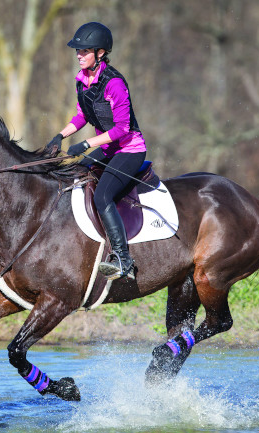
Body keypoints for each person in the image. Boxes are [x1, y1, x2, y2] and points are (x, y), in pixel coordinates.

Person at [48, 22, 146, 280]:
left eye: (85, 51)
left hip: (129, 149)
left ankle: (123, 260)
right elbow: (82, 115)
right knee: (73, 173)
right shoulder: (82, 80)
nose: (79, 55)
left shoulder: (113, 82)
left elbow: (123, 129)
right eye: (77, 51)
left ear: (100, 53)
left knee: (102, 196)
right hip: (109, 148)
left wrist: (87, 144)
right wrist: (61, 135)